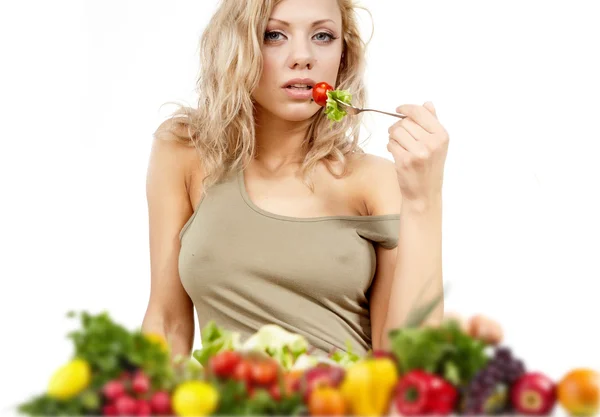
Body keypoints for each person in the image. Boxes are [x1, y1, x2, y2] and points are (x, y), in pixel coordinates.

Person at [141, 0, 502, 360]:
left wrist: (424, 199)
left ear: (344, 56)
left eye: (323, 36)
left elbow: (409, 366)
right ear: (236, 44)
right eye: (274, 35)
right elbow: (167, 321)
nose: (303, 57)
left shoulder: (376, 182)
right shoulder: (184, 151)